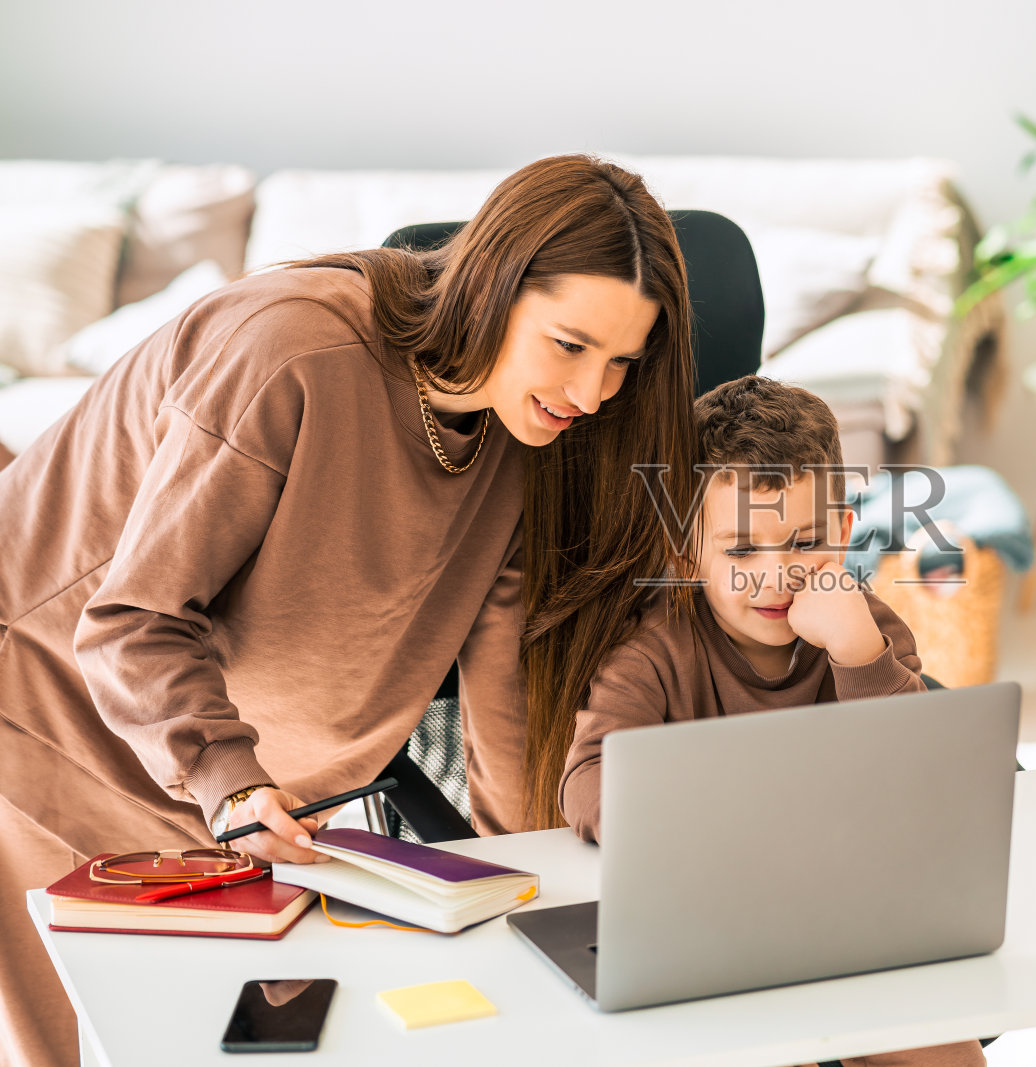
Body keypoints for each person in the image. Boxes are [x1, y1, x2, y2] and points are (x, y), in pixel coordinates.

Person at [0, 154, 697, 1067]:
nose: (593, 392)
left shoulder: (525, 428)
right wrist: (230, 780)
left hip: (259, 796)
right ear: (491, 285)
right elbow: (134, 619)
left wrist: (535, 868)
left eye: (621, 362)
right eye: (570, 345)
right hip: (50, 714)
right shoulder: (290, 352)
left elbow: (508, 671)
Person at [559, 376, 984, 1067]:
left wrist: (856, 651)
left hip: (855, 917)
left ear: (843, 533)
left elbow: (925, 774)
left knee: (950, 1056)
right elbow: (587, 777)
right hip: (709, 929)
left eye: (805, 542)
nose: (776, 575)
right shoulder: (654, 650)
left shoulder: (865, 626)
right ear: (685, 551)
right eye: (740, 550)